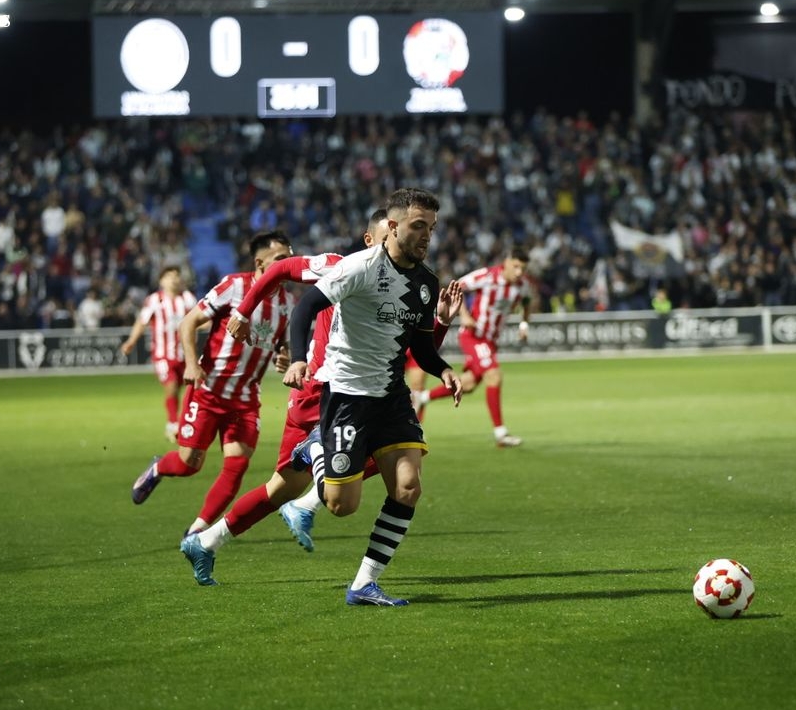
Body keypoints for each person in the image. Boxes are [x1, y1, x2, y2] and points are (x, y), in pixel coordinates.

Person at [176, 211, 462, 581]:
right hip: (324, 392)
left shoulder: (401, 286)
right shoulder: (341, 266)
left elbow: (408, 354)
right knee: (379, 457)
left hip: (339, 392)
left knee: (281, 489)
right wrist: (247, 314)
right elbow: (280, 274)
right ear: (371, 240)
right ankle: (313, 465)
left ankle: (206, 541)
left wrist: (438, 324)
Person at [255, 188, 461, 607]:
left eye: (431, 229)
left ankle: (364, 584)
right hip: (347, 395)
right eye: (418, 226)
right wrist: (297, 360)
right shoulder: (361, 268)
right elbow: (305, 308)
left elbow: (420, 349)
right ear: (393, 225)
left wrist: (444, 370)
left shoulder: (425, 283)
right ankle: (316, 448)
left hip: (391, 396)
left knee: (408, 487)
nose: (426, 236)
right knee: (340, 505)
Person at [129, 231, 293, 577]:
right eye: (281, 259)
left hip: (245, 398)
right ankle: (159, 468)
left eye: (290, 258)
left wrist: (284, 357)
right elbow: (189, 322)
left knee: (236, 466)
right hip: (209, 390)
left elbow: (280, 344)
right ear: (260, 263)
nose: (289, 265)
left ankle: (196, 532)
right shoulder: (234, 286)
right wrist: (191, 363)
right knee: (190, 463)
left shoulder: (287, 303)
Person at [414, 248, 531, 447]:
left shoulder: (522, 286)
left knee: (467, 385)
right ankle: (501, 434)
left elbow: (527, 302)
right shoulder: (487, 276)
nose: (519, 272)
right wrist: (464, 314)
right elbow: (456, 287)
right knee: (493, 375)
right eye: (516, 266)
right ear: (507, 262)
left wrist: (524, 324)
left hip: (491, 341)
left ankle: (420, 398)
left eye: (523, 268)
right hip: (473, 337)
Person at [120, 267, 198, 443]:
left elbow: (199, 320)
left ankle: (184, 423)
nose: (174, 280)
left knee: (186, 390)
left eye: (177, 276)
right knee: (170, 386)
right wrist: (131, 341)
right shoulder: (155, 300)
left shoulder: (188, 298)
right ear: (161, 281)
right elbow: (142, 322)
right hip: (163, 355)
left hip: (185, 355)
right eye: (169, 277)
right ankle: (172, 424)